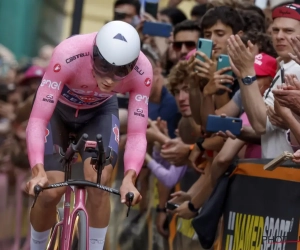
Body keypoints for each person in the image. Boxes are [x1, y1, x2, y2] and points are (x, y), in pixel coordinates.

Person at [25, 20, 153, 250]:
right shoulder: (68, 53)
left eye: (121, 71)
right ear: (94, 52)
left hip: (99, 114)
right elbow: (38, 119)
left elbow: (136, 133)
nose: (109, 78)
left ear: (133, 65)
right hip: (58, 112)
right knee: (50, 191)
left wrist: (129, 179)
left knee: (100, 180)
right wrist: (37, 170)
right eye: (103, 66)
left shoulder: (143, 70)